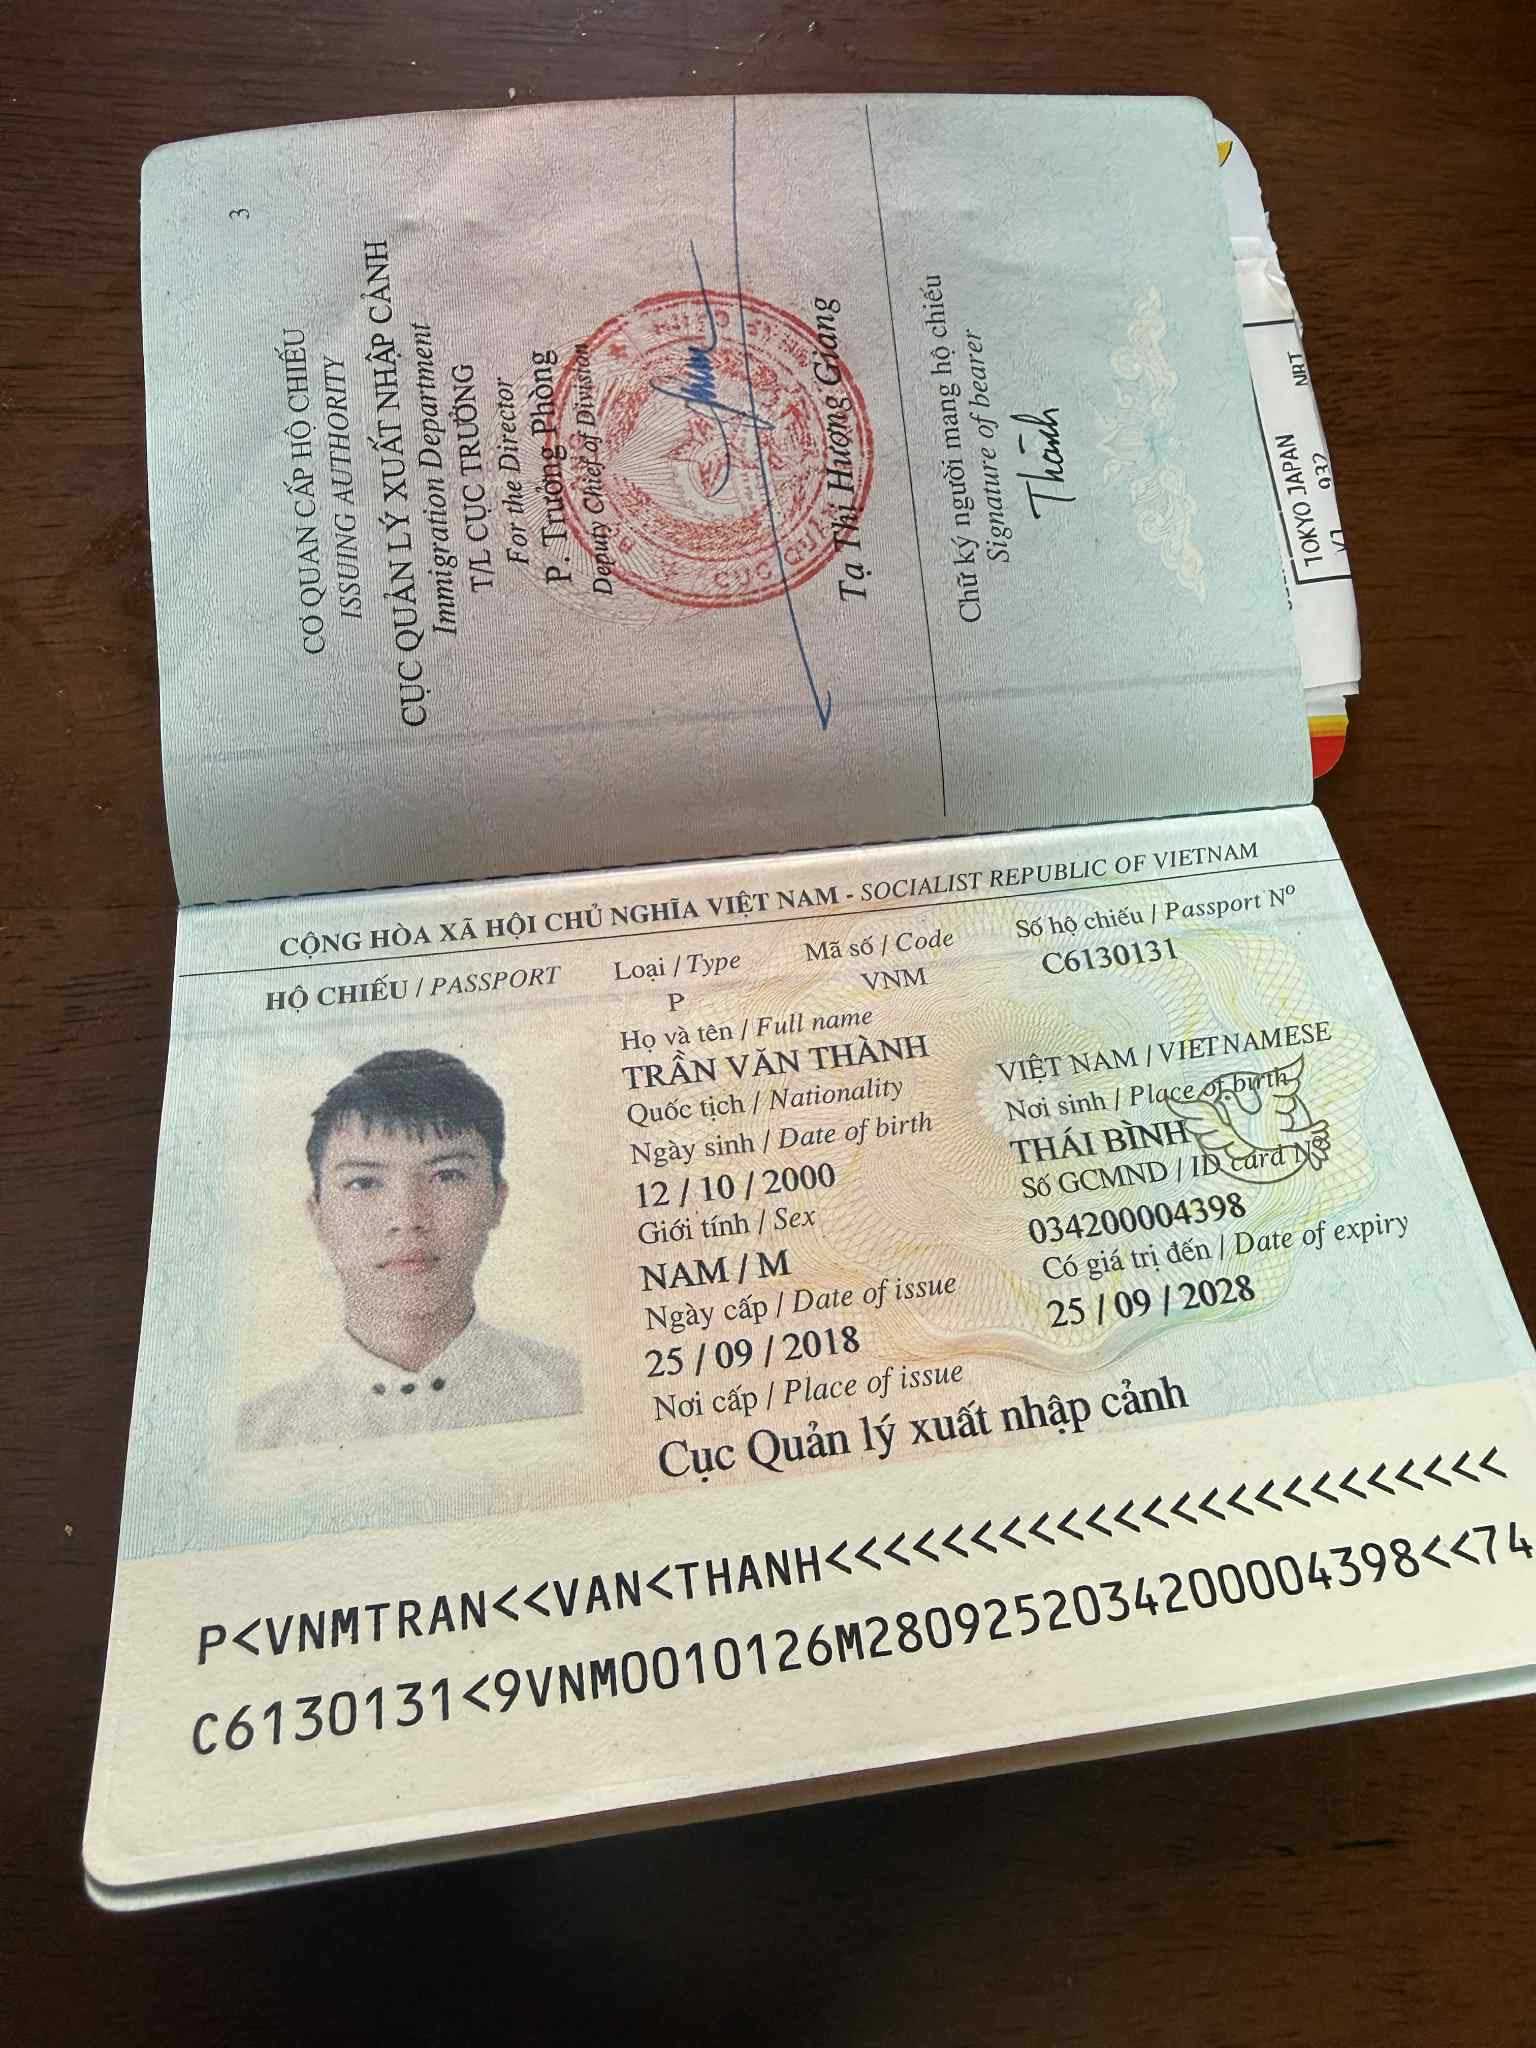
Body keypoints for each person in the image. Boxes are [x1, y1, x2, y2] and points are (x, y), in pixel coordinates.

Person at [239, 1049, 580, 1449]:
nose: (408, 1217)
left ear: (496, 1201)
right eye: (364, 1183)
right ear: (318, 1216)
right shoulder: (257, 1436)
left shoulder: (573, 1394)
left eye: (446, 1175)